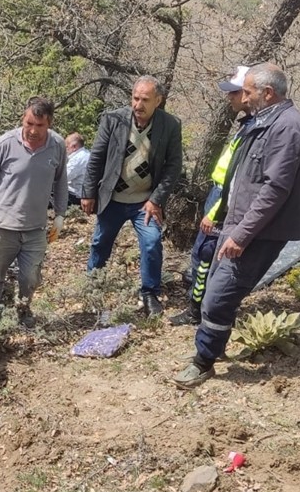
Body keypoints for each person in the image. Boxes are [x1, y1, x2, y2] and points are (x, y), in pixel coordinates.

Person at [175, 63, 300, 388]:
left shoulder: (288, 128)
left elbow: (275, 189)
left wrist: (241, 234)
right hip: (235, 222)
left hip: (258, 231)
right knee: (216, 289)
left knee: (219, 295)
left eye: (248, 92)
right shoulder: (261, 121)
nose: (244, 98)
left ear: (268, 93)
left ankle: (204, 361)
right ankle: (213, 347)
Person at [81, 76, 183, 317]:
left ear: (158, 100)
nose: (138, 104)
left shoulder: (170, 125)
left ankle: (149, 293)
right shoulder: (113, 119)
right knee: (100, 243)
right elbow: (96, 157)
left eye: (145, 100)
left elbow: (173, 167)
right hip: (113, 198)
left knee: (151, 242)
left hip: (145, 202)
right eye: (135, 98)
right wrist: (88, 192)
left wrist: (156, 200)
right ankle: (93, 289)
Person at [0, 97, 67, 326]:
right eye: (29, 123)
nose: (33, 130)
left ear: (49, 123)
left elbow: (61, 180)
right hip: (3, 226)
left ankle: (23, 311)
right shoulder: (5, 143)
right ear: (23, 118)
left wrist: (60, 215)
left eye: (39, 125)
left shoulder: (57, 145)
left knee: (30, 276)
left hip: (36, 227)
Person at [171, 65, 253, 327]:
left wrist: (216, 210)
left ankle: (196, 310)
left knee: (205, 255)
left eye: (235, 92)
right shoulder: (247, 124)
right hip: (218, 192)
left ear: (248, 94)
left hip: (223, 200)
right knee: (202, 253)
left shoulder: (255, 129)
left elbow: (238, 179)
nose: (230, 97)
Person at [65, 133, 91, 209]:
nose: (65, 150)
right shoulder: (86, 153)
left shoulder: (78, 159)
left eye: (66, 147)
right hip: (82, 194)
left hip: (75, 195)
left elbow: (63, 177)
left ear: (74, 147)